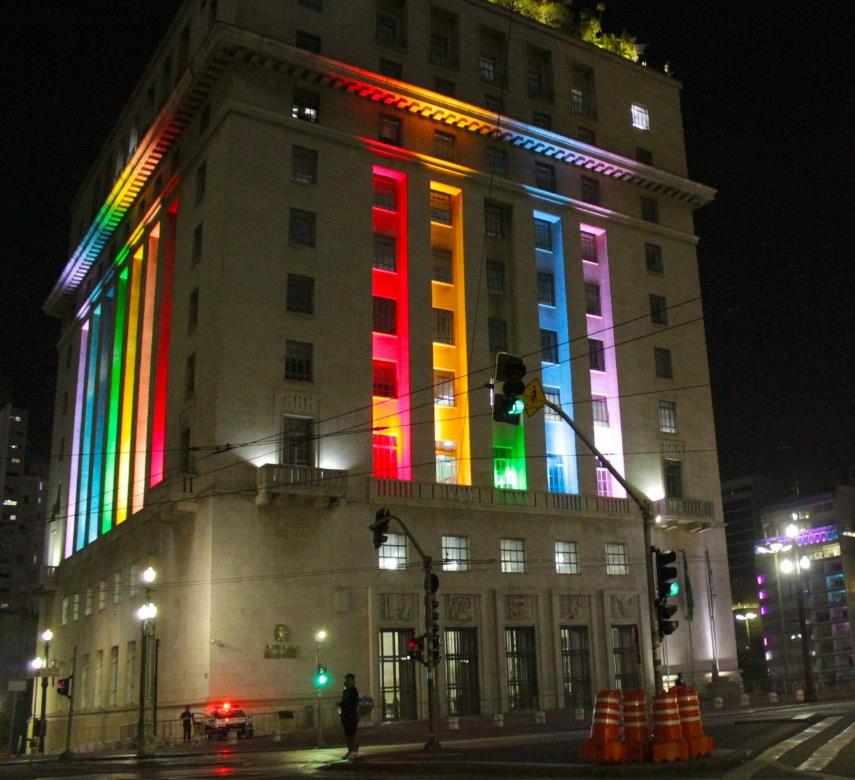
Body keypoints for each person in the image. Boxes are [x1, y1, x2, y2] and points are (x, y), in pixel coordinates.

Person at [338, 673, 360, 759]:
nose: (347, 681)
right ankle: (350, 750)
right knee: (348, 734)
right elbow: (344, 702)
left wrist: (355, 714)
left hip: (352, 715)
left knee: (353, 734)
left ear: (352, 681)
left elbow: (355, 703)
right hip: (346, 715)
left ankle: (354, 751)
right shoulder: (345, 691)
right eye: (346, 680)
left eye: (349, 680)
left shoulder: (354, 690)